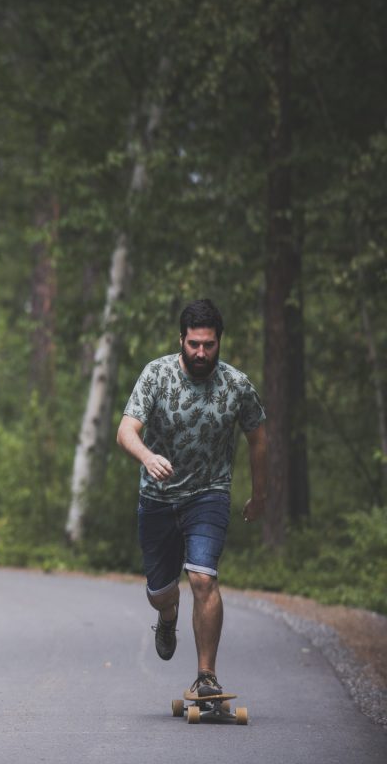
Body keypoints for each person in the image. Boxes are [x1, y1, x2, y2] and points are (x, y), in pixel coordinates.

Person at [116, 298, 267, 699]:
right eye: (195, 344)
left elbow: (258, 436)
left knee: (203, 578)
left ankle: (206, 676)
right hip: (158, 498)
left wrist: (261, 494)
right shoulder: (157, 375)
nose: (201, 352)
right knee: (162, 593)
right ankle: (168, 616)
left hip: (209, 493)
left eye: (209, 345)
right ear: (181, 339)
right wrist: (147, 457)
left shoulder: (236, 386)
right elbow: (126, 430)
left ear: (220, 342)